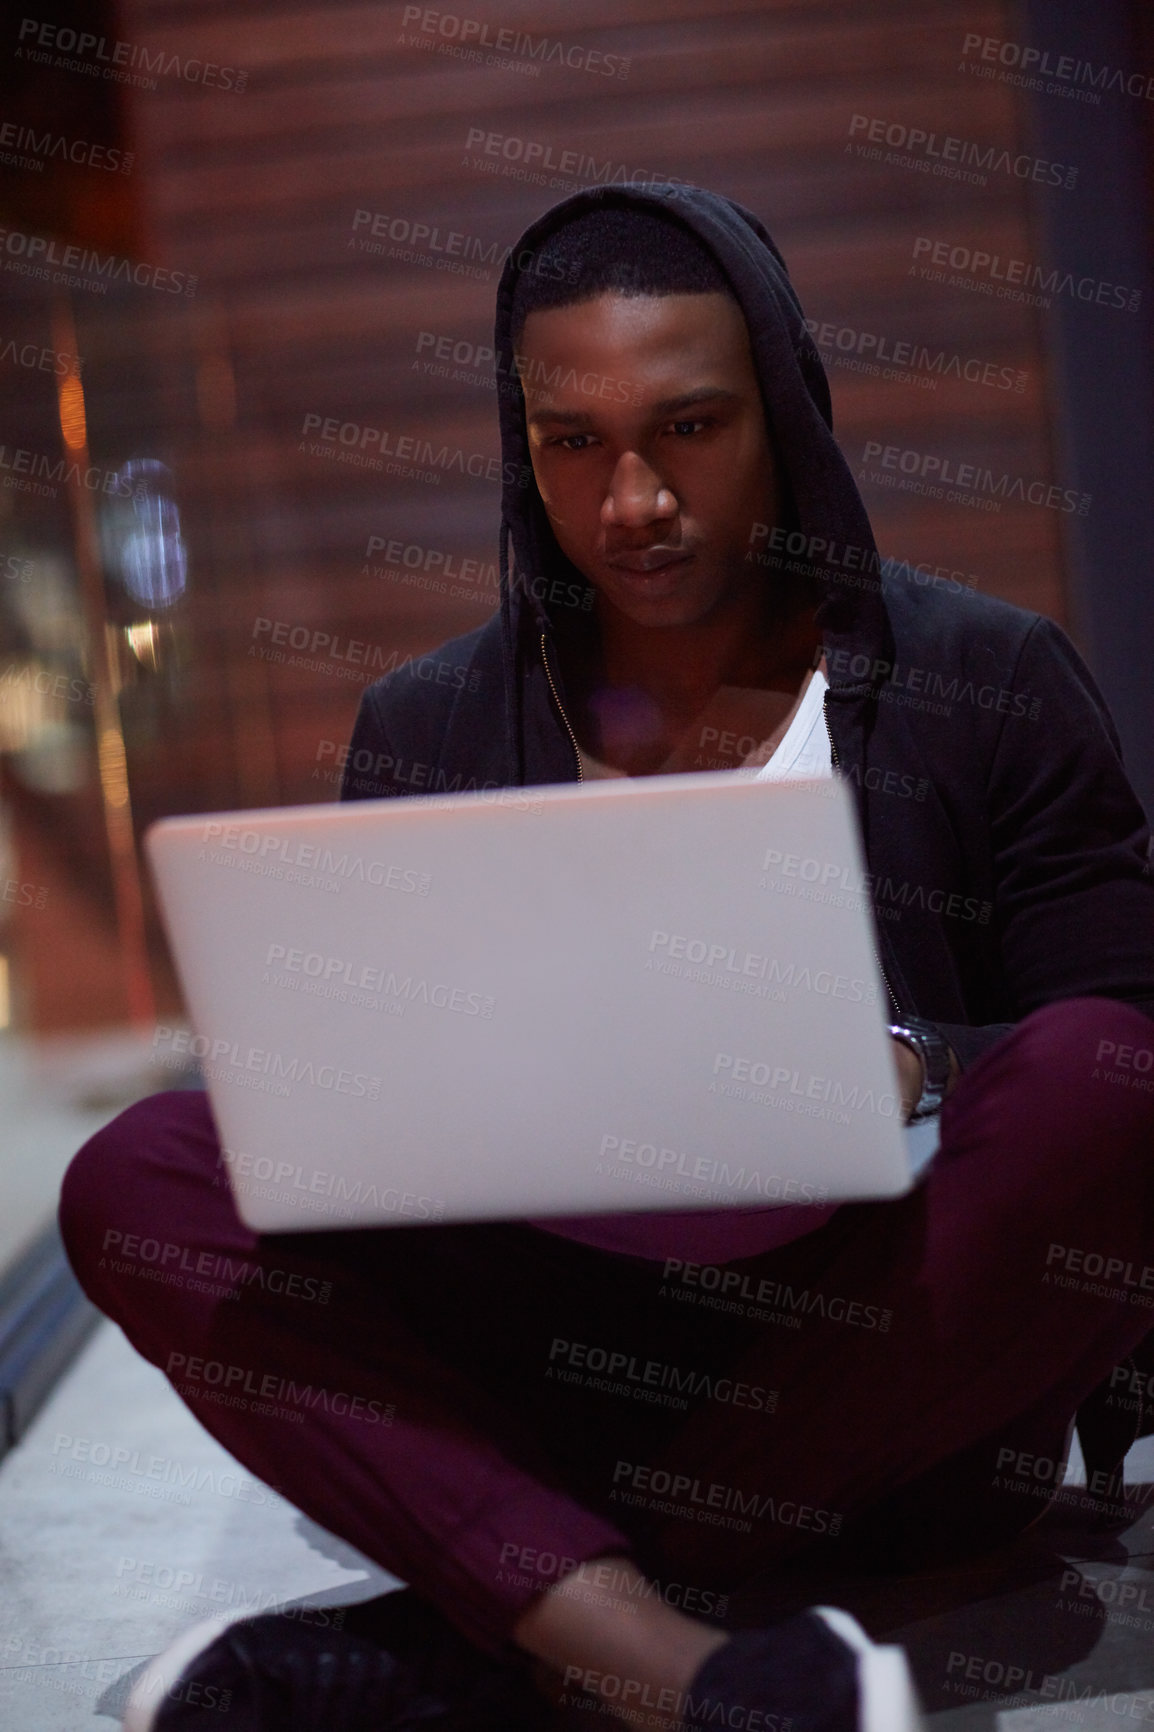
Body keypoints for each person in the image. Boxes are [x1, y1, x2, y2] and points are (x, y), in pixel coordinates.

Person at [60, 185, 1154, 1732]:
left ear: (778, 410)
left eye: (688, 429)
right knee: (142, 1171)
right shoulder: (431, 727)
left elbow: (1125, 1040)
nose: (631, 499)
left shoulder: (982, 683)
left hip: (885, 1363)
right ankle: (701, 1675)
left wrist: (913, 1062)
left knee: (1106, 1082)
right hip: (553, 1358)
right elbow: (363, 1113)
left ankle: (543, 1626)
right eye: (573, 444)